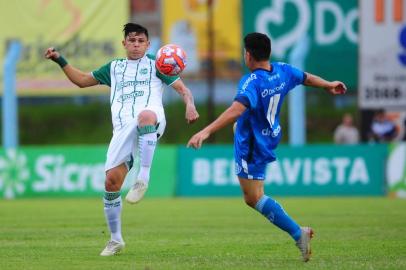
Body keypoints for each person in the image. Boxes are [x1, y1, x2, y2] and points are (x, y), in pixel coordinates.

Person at [187, 32, 346, 262]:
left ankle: (297, 233)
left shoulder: (252, 81)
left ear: (248, 55)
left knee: (253, 197)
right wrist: (328, 85)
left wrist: (206, 131)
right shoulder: (282, 70)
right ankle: (297, 232)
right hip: (269, 135)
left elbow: (237, 109)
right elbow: (306, 77)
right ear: (268, 53)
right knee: (255, 192)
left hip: (251, 144)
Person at [45, 23, 199, 256]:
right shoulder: (114, 68)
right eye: (132, 40)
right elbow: (82, 80)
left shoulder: (158, 64)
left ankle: (143, 177)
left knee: (145, 116)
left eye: (141, 41)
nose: (136, 44)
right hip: (122, 130)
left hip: (150, 118)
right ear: (124, 43)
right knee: (111, 183)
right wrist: (60, 60)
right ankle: (116, 240)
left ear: (148, 44)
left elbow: (183, 90)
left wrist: (190, 105)